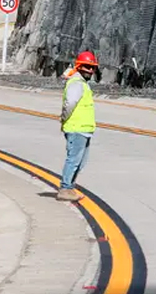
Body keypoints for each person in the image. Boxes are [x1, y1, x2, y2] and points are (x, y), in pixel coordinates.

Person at [56, 50, 98, 201]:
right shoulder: (76, 83)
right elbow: (70, 104)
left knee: (81, 161)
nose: (90, 70)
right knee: (74, 160)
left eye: (92, 67)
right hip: (76, 128)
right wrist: (64, 119)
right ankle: (65, 188)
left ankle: (69, 187)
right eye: (87, 66)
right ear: (79, 66)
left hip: (83, 129)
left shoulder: (82, 83)